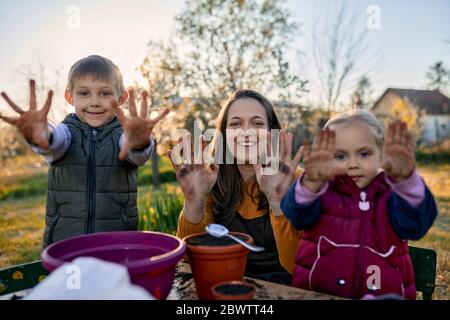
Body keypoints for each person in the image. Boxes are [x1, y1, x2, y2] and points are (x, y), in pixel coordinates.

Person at [0, 55, 169, 247]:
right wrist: (41, 135)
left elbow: (134, 152)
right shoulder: (66, 131)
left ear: (121, 98)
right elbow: (54, 142)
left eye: (105, 93)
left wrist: (138, 141)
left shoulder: (123, 134)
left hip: (115, 242)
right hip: (65, 243)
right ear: (70, 97)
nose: (94, 102)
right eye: (84, 93)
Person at [280, 109, 438, 299]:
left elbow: (416, 226)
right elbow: (296, 216)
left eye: (364, 153)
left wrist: (408, 183)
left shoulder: (393, 193)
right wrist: (310, 184)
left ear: (381, 155)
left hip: (384, 293)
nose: (353, 164)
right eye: (340, 156)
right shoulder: (322, 190)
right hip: (319, 292)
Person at [172, 89, 303, 284]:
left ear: (272, 132)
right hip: (227, 287)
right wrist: (194, 201)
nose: (246, 132)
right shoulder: (209, 179)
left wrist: (277, 201)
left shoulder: (297, 181)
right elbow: (188, 261)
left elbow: (301, 267)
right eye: (235, 124)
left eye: (257, 123)